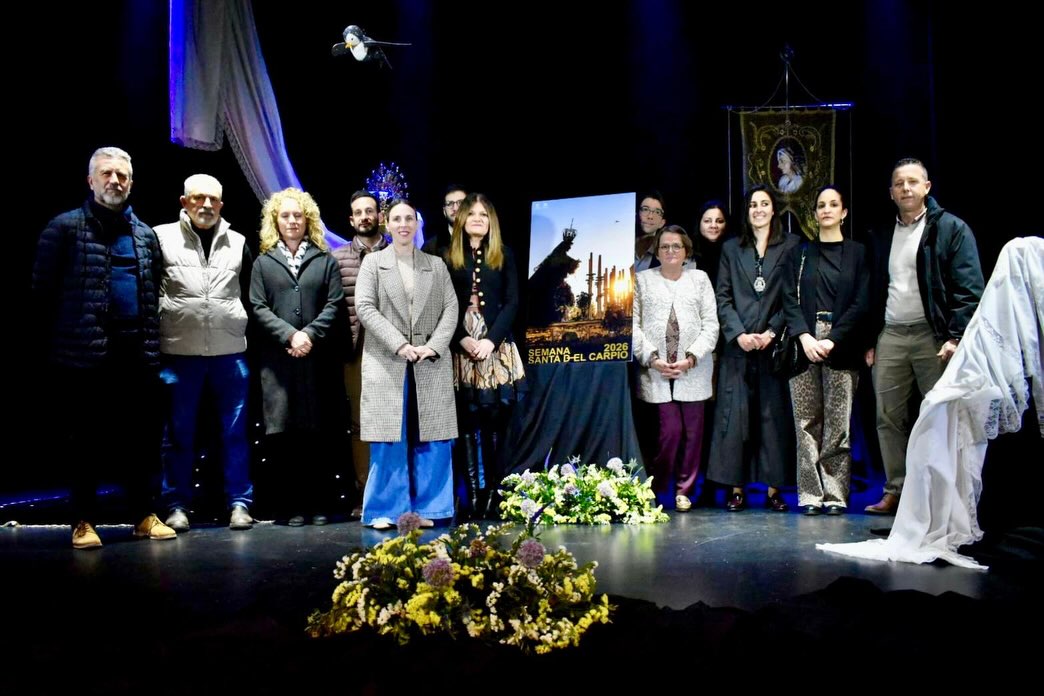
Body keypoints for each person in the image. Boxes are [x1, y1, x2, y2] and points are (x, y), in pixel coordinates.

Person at [32, 147, 176, 548]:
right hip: (83, 357)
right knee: (84, 442)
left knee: (141, 441)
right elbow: (42, 294)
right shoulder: (63, 228)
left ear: (131, 183)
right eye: (106, 174)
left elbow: (152, 289)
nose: (115, 181)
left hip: (136, 354)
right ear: (90, 180)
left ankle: (143, 515)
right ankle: (83, 521)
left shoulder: (144, 235)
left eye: (122, 175)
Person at [863, 158, 984, 514]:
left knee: (941, 416)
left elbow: (969, 289)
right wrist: (871, 339)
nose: (906, 188)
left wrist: (956, 336)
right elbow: (873, 290)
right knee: (888, 417)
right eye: (899, 183)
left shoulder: (950, 229)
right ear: (891, 192)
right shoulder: (881, 233)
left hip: (935, 336)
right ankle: (897, 491)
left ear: (927, 187)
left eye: (913, 182)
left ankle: (941, 494)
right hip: (891, 334)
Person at [154, 174, 254, 532]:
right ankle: (176, 505)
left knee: (235, 433)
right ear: (184, 202)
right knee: (179, 434)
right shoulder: (161, 237)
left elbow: (249, 295)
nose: (207, 205)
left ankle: (240, 503)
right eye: (199, 198)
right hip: (180, 351)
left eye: (213, 199)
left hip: (229, 351)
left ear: (222, 205)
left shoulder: (239, 242)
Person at [355, 198, 458, 530]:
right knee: (389, 437)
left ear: (417, 224)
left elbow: (451, 309)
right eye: (397, 219)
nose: (403, 225)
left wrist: (433, 346)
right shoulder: (373, 264)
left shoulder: (435, 265)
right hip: (387, 360)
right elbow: (364, 307)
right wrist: (399, 344)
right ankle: (385, 510)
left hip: (429, 361)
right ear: (387, 224)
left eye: (409, 219)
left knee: (433, 436)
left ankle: (432, 508)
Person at [250, 188, 347, 526]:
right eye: (285, 216)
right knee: (284, 437)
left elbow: (334, 304)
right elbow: (258, 306)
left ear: (308, 220)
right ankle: (290, 506)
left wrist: (309, 334)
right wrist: (290, 335)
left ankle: (319, 504)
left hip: (317, 361)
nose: (292, 221)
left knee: (317, 435)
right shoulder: (263, 263)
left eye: (298, 215)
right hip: (278, 362)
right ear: (275, 221)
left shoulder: (325, 260)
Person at [707, 185, 801, 511]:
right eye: (752, 205)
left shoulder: (791, 245)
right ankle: (737, 489)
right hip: (739, 348)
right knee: (736, 421)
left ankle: (774, 491)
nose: (758, 209)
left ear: (774, 209)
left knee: (773, 420)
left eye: (764, 204)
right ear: (747, 212)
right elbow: (722, 297)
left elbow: (793, 295)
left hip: (774, 348)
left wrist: (772, 331)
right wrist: (739, 334)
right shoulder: (732, 248)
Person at [782, 186, 869, 515]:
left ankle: (835, 494)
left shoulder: (858, 253)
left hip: (842, 344)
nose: (827, 210)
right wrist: (804, 336)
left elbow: (862, 302)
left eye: (834, 204)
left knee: (838, 425)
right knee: (805, 424)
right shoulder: (800, 254)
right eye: (821, 205)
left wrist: (834, 339)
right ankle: (810, 495)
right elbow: (788, 299)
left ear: (843, 212)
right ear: (815, 213)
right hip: (804, 344)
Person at [445, 193, 526, 518]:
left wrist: (491, 341)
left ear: (491, 220)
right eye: (472, 213)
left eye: (483, 214)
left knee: (495, 420)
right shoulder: (447, 256)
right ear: (461, 218)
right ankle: (473, 495)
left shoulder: (504, 254)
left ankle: (494, 492)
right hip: (461, 345)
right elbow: (441, 305)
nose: (477, 218)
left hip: (495, 344)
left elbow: (512, 302)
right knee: (467, 421)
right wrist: (462, 339)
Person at [632, 225, 719, 511]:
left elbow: (711, 325)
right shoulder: (642, 280)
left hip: (693, 369)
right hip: (655, 370)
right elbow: (632, 326)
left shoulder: (700, 279)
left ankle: (685, 490)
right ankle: (658, 488)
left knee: (693, 435)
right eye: (665, 246)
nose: (671, 251)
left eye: (676, 246)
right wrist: (652, 358)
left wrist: (691, 358)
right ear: (657, 252)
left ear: (686, 251)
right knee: (669, 432)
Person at [332, 190, 390, 518]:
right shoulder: (338, 258)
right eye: (359, 212)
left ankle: (393, 492)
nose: (365, 217)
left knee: (393, 420)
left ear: (380, 216)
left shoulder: (398, 251)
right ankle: (365, 493)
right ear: (351, 219)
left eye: (370, 211)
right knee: (359, 424)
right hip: (355, 349)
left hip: (393, 350)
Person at [422, 184, 466, 255]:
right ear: (444, 211)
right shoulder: (430, 248)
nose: (455, 208)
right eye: (450, 204)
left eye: (460, 203)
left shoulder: (481, 242)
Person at [694, 200, 729, 287]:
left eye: (719, 221)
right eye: (707, 221)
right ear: (699, 223)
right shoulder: (687, 254)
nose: (713, 225)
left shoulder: (733, 254)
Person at [634, 191, 668, 272]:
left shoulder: (665, 256)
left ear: (662, 223)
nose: (650, 216)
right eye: (645, 209)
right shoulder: (619, 246)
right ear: (636, 215)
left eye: (657, 212)